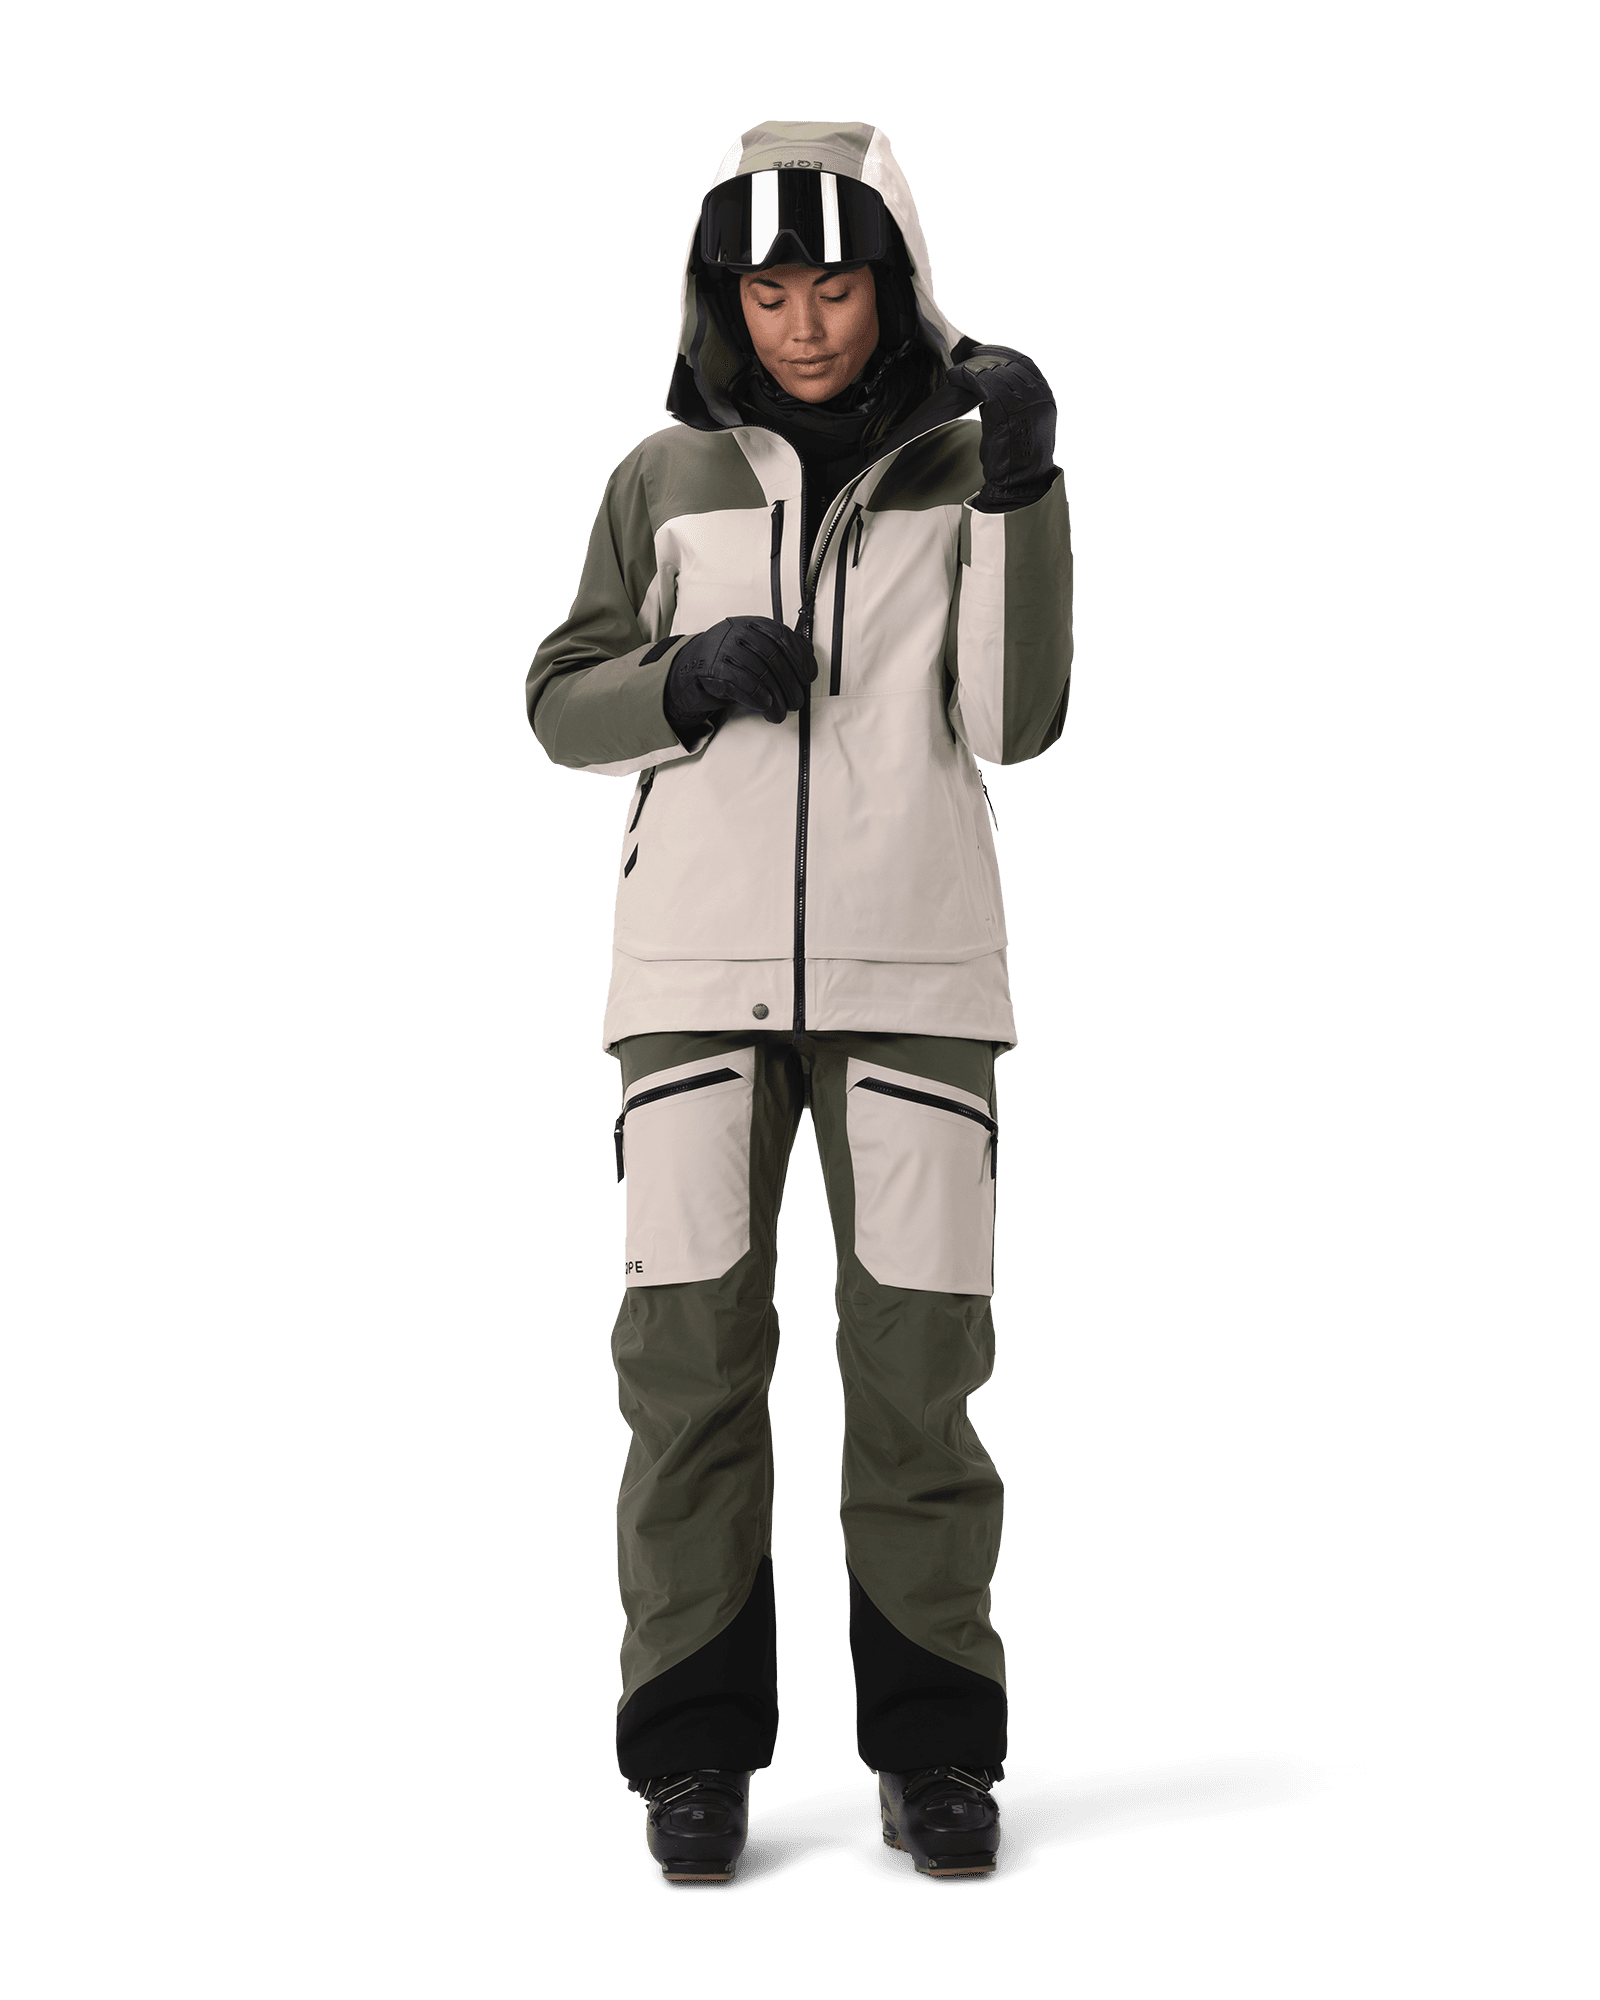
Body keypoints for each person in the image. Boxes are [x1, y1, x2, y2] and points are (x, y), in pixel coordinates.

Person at [526, 120, 1073, 1885]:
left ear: (894, 282)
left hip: (917, 970)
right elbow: (559, 696)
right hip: (690, 979)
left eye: (835, 284)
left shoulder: (972, 469)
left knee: (921, 1378)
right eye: (767, 291)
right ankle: (691, 1759)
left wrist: (1026, 488)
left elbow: (1014, 721)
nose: (805, 324)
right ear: (722, 298)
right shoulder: (660, 478)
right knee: (686, 1372)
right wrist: (678, 682)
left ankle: (937, 1754)